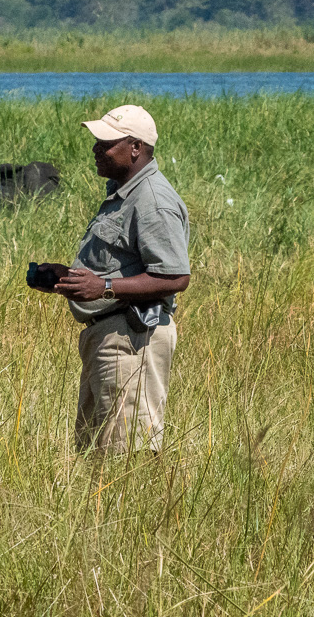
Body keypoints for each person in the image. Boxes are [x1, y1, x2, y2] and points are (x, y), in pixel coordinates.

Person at [50, 104, 191, 454]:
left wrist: (105, 288)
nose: (96, 149)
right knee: (97, 449)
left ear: (136, 148)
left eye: (107, 142)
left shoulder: (152, 199)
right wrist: (69, 279)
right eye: (97, 140)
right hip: (109, 337)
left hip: (132, 338)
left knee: (128, 451)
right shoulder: (122, 192)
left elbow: (175, 276)